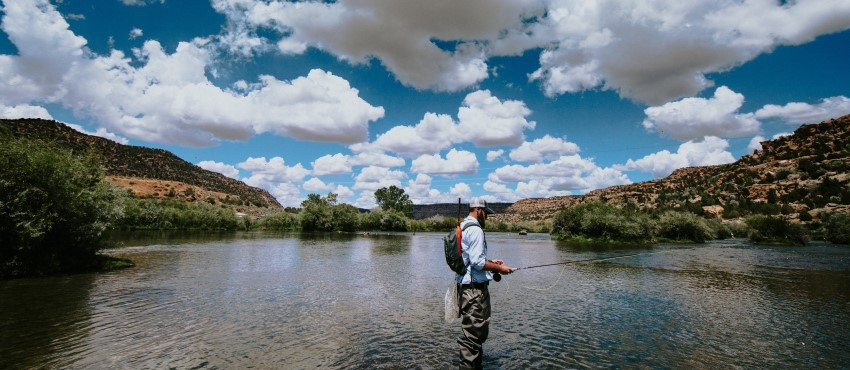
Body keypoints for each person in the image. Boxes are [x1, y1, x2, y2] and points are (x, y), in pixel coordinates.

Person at [457, 198, 516, 369]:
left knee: (473, 336)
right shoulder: (475, 229)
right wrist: (501, 269)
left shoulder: (463, 227)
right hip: (475, 292)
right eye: (486, 213)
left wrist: (492, 262)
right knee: (473, 338)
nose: (487, 217)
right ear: (478, 210)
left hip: (465, 287)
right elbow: (477, 262)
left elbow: (470, 259)